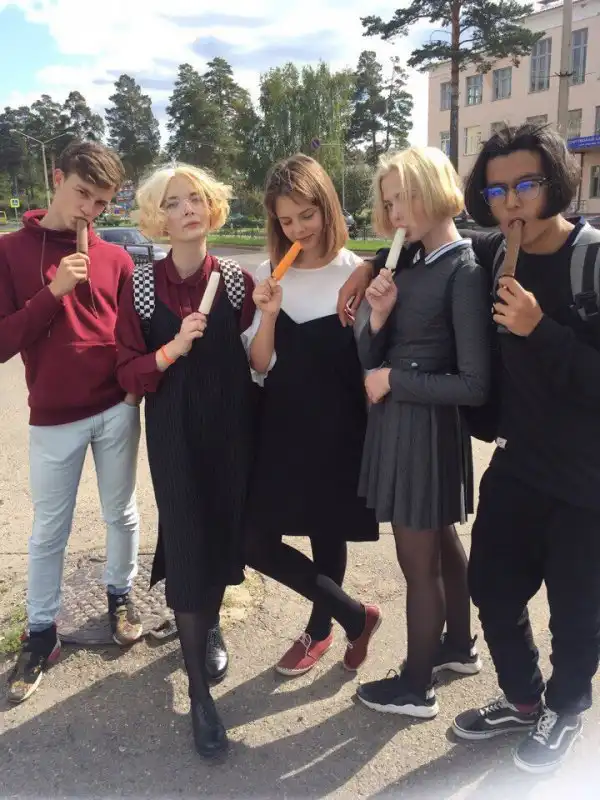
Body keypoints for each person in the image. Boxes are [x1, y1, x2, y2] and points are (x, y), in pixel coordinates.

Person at [339, 124, 600, 773]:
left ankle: (565, 709)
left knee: (575, 611)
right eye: (497, 189)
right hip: (517, 460)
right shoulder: (494, 249)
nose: (512, 202)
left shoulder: (591, 261)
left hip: (587, 473)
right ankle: (524, 698)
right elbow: (436, 240)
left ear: (556, 183)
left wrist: (541, 330)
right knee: (492, 587)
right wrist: (370, 265)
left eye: (526, 185)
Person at [115, 164, 256, 759]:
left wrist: (271, 315)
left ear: (211, 207)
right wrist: (172, 348)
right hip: (173, 431)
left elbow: (259, 359)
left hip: (230, 430)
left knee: (220, 534)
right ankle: (199, 694)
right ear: (158, 218)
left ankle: (209, 622)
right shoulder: (143, 285)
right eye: (173, 203)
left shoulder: (238, 281)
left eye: (196, 198)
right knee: (187, 536)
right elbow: (127, 369)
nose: (188, 209)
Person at [1, 142, 142, 705]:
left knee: (121, 512)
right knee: (48, 530)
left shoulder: (117, 259)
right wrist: (53, 291)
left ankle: (120, 595)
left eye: (101, 203)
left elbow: (129, 335)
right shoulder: (11, 251)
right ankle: (40, 632)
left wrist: (131, 395)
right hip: (53, 417)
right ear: (56, 178)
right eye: (83, 193)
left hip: (114, 409)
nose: (90, 210)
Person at [354, 146, 489, 719]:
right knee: (442, 543)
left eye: (403, 198)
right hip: (405, 424)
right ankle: (458, 646)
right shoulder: (412, 261)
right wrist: (379, 317)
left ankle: (416, 685)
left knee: (418, 563)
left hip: (425, 431)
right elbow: (368, 355)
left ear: (433, 190)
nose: (394, 212)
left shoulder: (463, 270)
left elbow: (474, 385)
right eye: (388, 203)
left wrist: (394, 379)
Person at [245, 153, 381, 678]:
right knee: (254, 540)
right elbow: (260, 364)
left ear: (327, 206)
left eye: (307, 214)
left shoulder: (357, 272)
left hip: (340, 427)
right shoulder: (268, 274)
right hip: (279, 425)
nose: (299, 228)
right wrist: (267, 314)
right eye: (286, 220)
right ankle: (356, 615)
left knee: (329, 533)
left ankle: (320, 628)